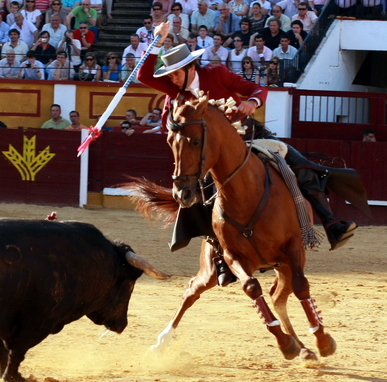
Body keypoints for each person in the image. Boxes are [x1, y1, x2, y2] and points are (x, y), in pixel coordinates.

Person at [140, 22, 360, 263]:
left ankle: (332, 224)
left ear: (191, 68)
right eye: (169, 75)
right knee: (200, 194)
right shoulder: (174, 90)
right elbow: (142, 74)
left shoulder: (216, 74)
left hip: (246, 134)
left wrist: (252, 103)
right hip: (209, 150)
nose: (171, 79)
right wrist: (157, 40)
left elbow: (255, 89)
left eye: (175, 73)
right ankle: (220, 256)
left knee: (299, 164)